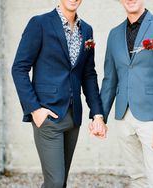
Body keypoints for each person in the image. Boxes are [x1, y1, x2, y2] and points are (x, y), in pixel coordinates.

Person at [11, 0, 107, 187]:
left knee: (60, 181)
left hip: (74, 117)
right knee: (54, 182)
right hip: (48, 116)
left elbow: (88, 75)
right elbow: (19, 68)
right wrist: (35, 110)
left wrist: (97, 114)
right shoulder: (39, 24)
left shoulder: (86, 30)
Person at [96, 0, 153, 187]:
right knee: (137, 178)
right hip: (123, 117)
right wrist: (99, 116)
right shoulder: (114, 34)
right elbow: (110, 80)